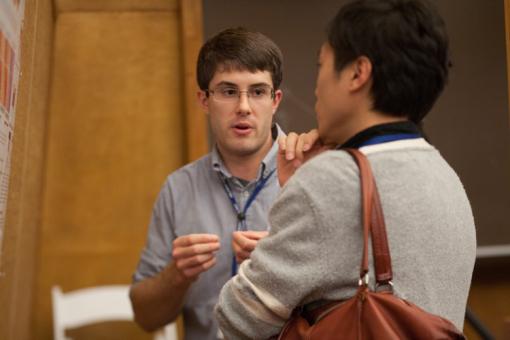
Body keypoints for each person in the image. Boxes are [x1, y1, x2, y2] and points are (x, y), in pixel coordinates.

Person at [215, 0, 477, 339]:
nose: (316, 86)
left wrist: (299, 201)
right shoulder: (447, 177)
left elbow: (237, 317)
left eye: (322, 64)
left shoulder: (330, 181)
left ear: (357, 73)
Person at [129, 27, 319, 340]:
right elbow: (145, 317)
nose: (243, 106)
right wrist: (176, 276)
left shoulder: (313, 173)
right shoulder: (179, 188)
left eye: (257, 92)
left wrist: (282, 267)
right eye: (228, 91)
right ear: (204, 99)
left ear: (275, 100)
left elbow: (349, 298)